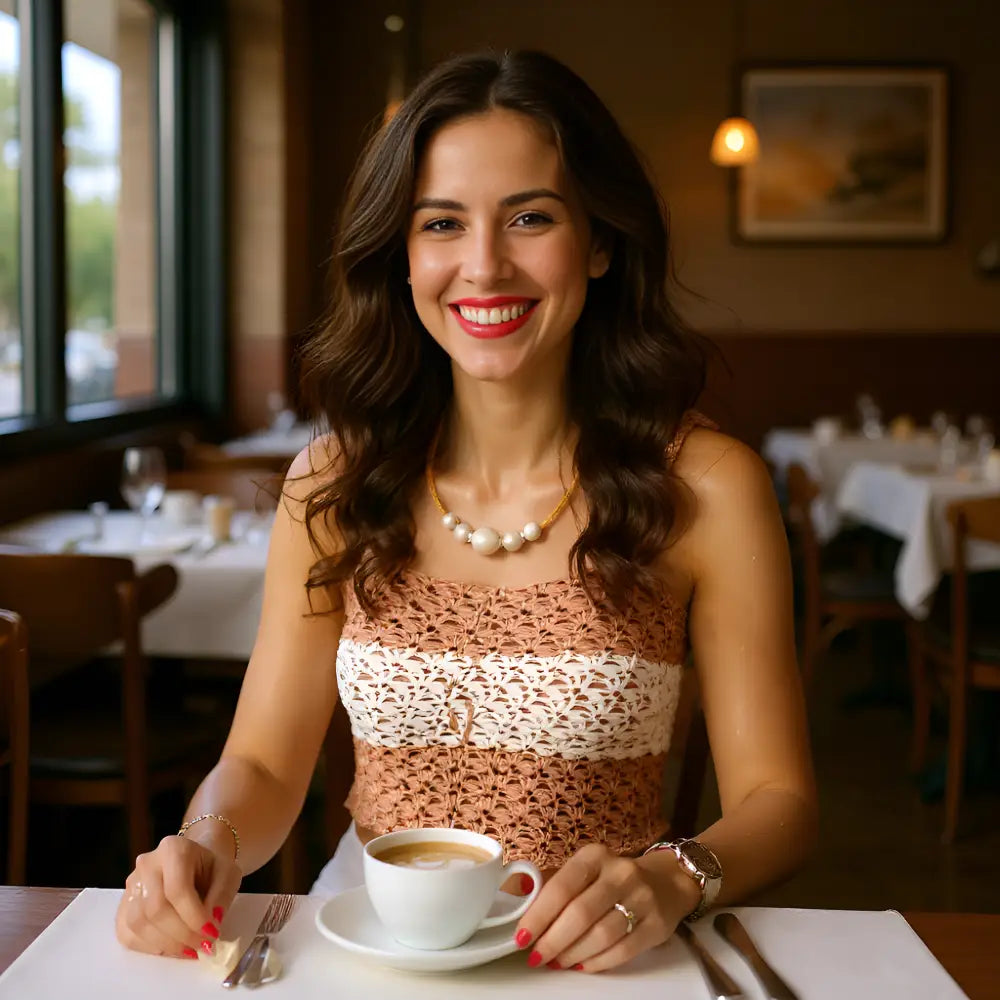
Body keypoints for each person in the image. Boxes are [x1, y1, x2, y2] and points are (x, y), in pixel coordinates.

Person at [115, 49, 817, 973]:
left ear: (600, 242)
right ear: (403, 255)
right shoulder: (331, 484)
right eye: (441, 223)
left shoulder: (708, 485)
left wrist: (675, 875)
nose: (484, 266)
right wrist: (206, 839)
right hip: (371, 946)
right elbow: (266, 767)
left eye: (531, 217)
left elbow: (780, 797)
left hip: (596, 955)